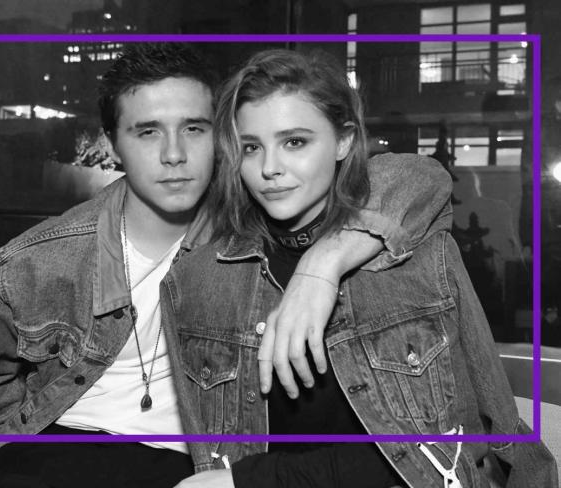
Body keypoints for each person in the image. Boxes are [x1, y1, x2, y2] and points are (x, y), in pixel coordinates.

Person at [0, 43, 454, 488]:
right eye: (147, 132)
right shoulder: (40, 259)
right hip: (54, 447)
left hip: (191, 462)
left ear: (221, 139)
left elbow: (418, 177)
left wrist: (322, 263)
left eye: (193, 128)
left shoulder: (253, 223)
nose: (174, 154)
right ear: (113, 144)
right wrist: (19, 435)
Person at [161, 49, 559, 488]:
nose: (269, 168)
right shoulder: (198, 281)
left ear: (344, 141)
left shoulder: (422, 257)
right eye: (251, 147)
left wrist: (262, 479)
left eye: (295, 142)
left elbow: (472, 437)